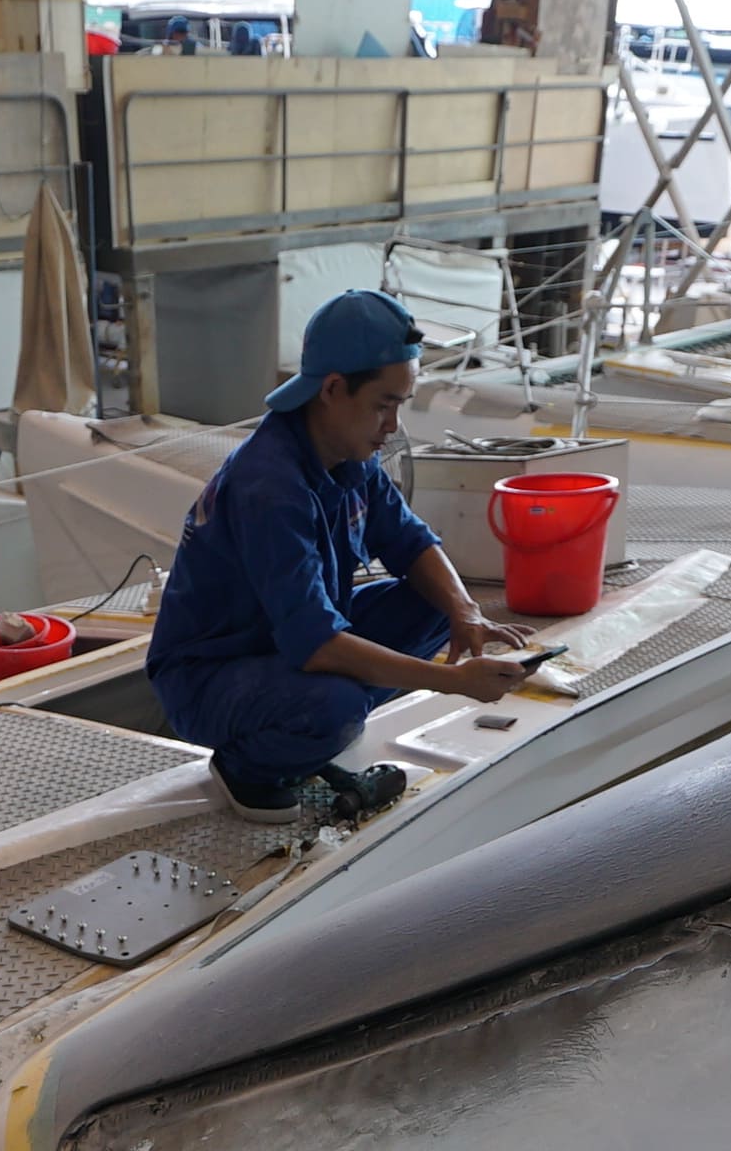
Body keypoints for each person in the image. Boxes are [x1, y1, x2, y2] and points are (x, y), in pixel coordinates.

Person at [144, 289, 535, 824]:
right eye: (384, 405)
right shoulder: (270, 487)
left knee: (436, 605)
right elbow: (316, 644)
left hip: (279, 646)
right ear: (331, 389)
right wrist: (455, 682)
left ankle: (306, 729)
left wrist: (466, 613)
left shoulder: (346, 454)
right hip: (209, 676)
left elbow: (409, 540)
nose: (392, 426)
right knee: (336, 707)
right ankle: (248, 767)